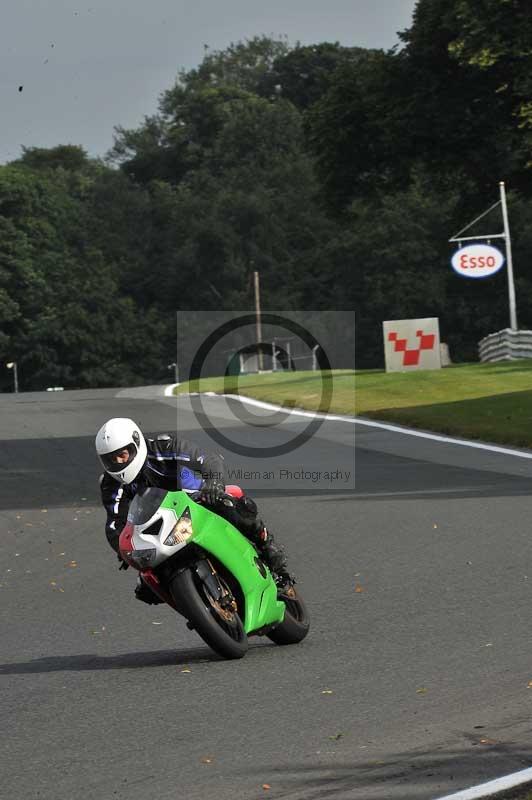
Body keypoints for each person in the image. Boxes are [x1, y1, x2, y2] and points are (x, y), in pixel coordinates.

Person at [95, 417, 293, 604]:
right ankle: (198, 606)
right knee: (146, 587)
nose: (119, 463)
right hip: (161, 526)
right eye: (111, 459)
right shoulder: (110, 483)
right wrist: (123, 551)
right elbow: (115, 524)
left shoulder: (163, 447)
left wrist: (213, 482)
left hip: (196, 500)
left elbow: (207, 459)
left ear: (136, 443)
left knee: (233, 506)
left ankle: (267, 546)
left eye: (122, 455)